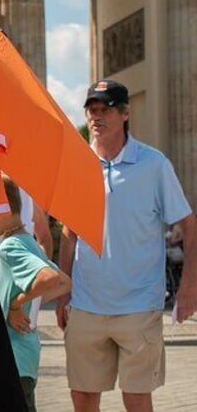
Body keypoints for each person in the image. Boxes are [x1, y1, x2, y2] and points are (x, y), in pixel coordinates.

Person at [57, 79, 197, 412]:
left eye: (105, 110)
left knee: (136, 400)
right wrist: (62, 292)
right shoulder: (76, 163)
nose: (96, 117)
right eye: (91, 110)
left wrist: (189, 287)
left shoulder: (154, 165)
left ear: (125, 114)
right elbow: (69, 232)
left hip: (139, 306)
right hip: (86, 305)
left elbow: (188, 226)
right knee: (83, 398)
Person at [0, 175, 71, 412]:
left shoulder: (9, 246)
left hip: (11, 360)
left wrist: (16, 305)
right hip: (24, 359)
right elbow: (65, 283)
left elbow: (52, 279)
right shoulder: (27, 240)